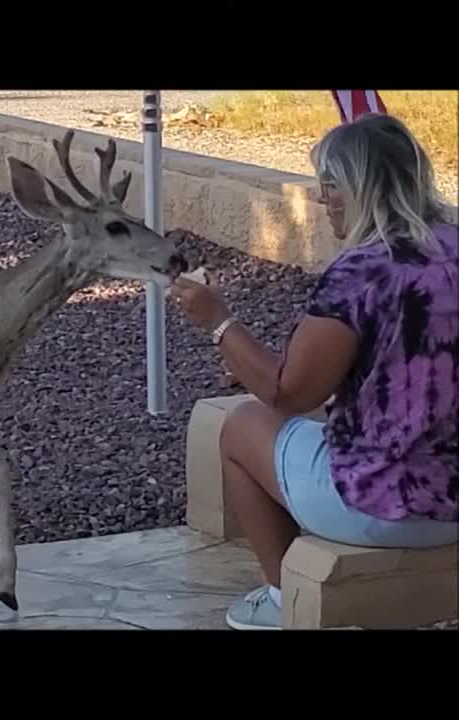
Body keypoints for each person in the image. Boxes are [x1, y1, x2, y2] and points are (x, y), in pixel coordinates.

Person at [170, 112, 459, 630]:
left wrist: (218, 321)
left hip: (382, 507)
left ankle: (284, 598)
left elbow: (287, 392)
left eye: (331, 185)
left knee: (242, 427)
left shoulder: (361, 273)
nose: (324, 199)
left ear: (363, 187)